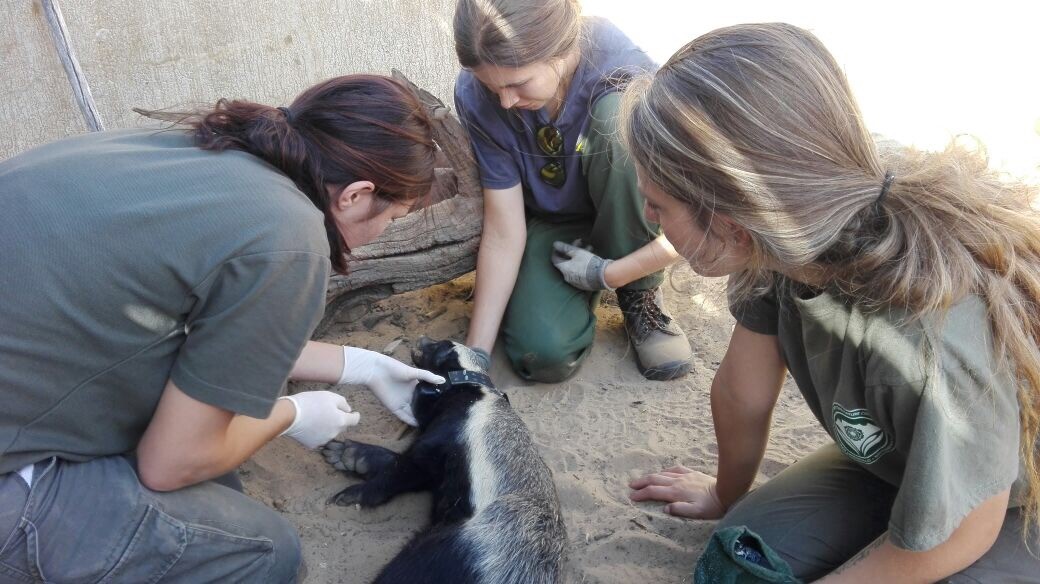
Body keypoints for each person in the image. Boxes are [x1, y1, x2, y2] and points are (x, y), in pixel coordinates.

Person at [621, 23, 1040, 582]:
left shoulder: (929, 342)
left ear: (731, 224)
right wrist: (725, 493)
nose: (650, 219)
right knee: (742, 558)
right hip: (895, 455)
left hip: (1010, 497)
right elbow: (743, 392)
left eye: (657, 204)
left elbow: (968, 526)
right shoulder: (782, 232)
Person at [0, 74, 446, 583]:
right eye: (392, 218)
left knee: (216, 478)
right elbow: (168, 464)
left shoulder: (193, 147)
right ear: (357, 195)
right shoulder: (292, 234)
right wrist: (292, 414)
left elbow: (215, 333)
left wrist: (358, 364)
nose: (378, 236)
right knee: (262, 550)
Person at [452, 0, 693, 382]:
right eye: (491, 86)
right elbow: (503, 230)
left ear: (562, 52)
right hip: (554, 225)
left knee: (620, 114)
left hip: (630, 213)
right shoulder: (478, 94)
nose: (505, 101)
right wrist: (475, 353)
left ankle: (640, 295)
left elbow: (693, 222)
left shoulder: (621, 64)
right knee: (541, 353)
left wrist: (612, 275)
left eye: (517, 84)